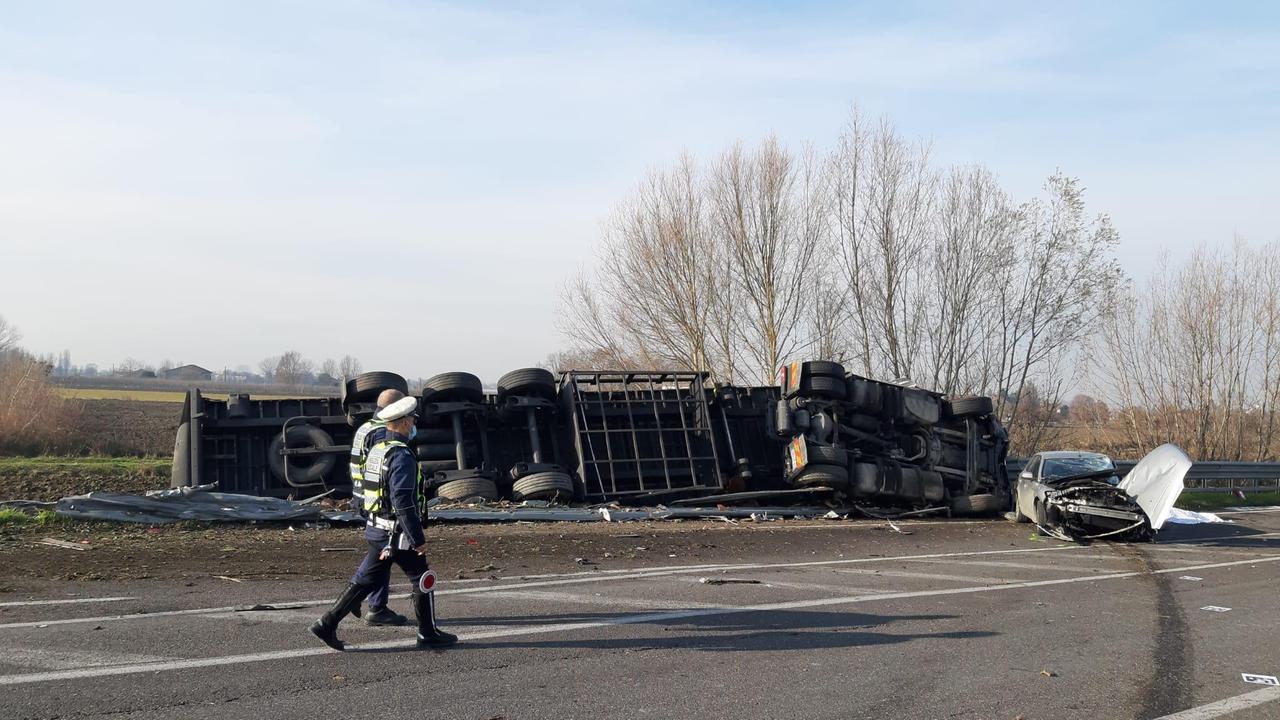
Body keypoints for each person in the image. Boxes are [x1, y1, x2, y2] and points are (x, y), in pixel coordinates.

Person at [311, 396, 457, 651]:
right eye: (412, 420)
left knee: (365, 579)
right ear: (401, 423)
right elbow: (402, 500)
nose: (414, 424)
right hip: (396, 533)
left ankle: (327, 623)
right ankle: (428, 633)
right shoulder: (402, 456)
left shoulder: (378, 451)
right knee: (422, 577)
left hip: (377, 529)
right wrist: (417, 538)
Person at [347, 388, 408, 626]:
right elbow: (386, 468)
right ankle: (374, 604)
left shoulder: (366, 427)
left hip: (363, 497)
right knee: (386, 551)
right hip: (378, 501)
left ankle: (361, 596)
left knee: (379, 552)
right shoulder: (383, 432)